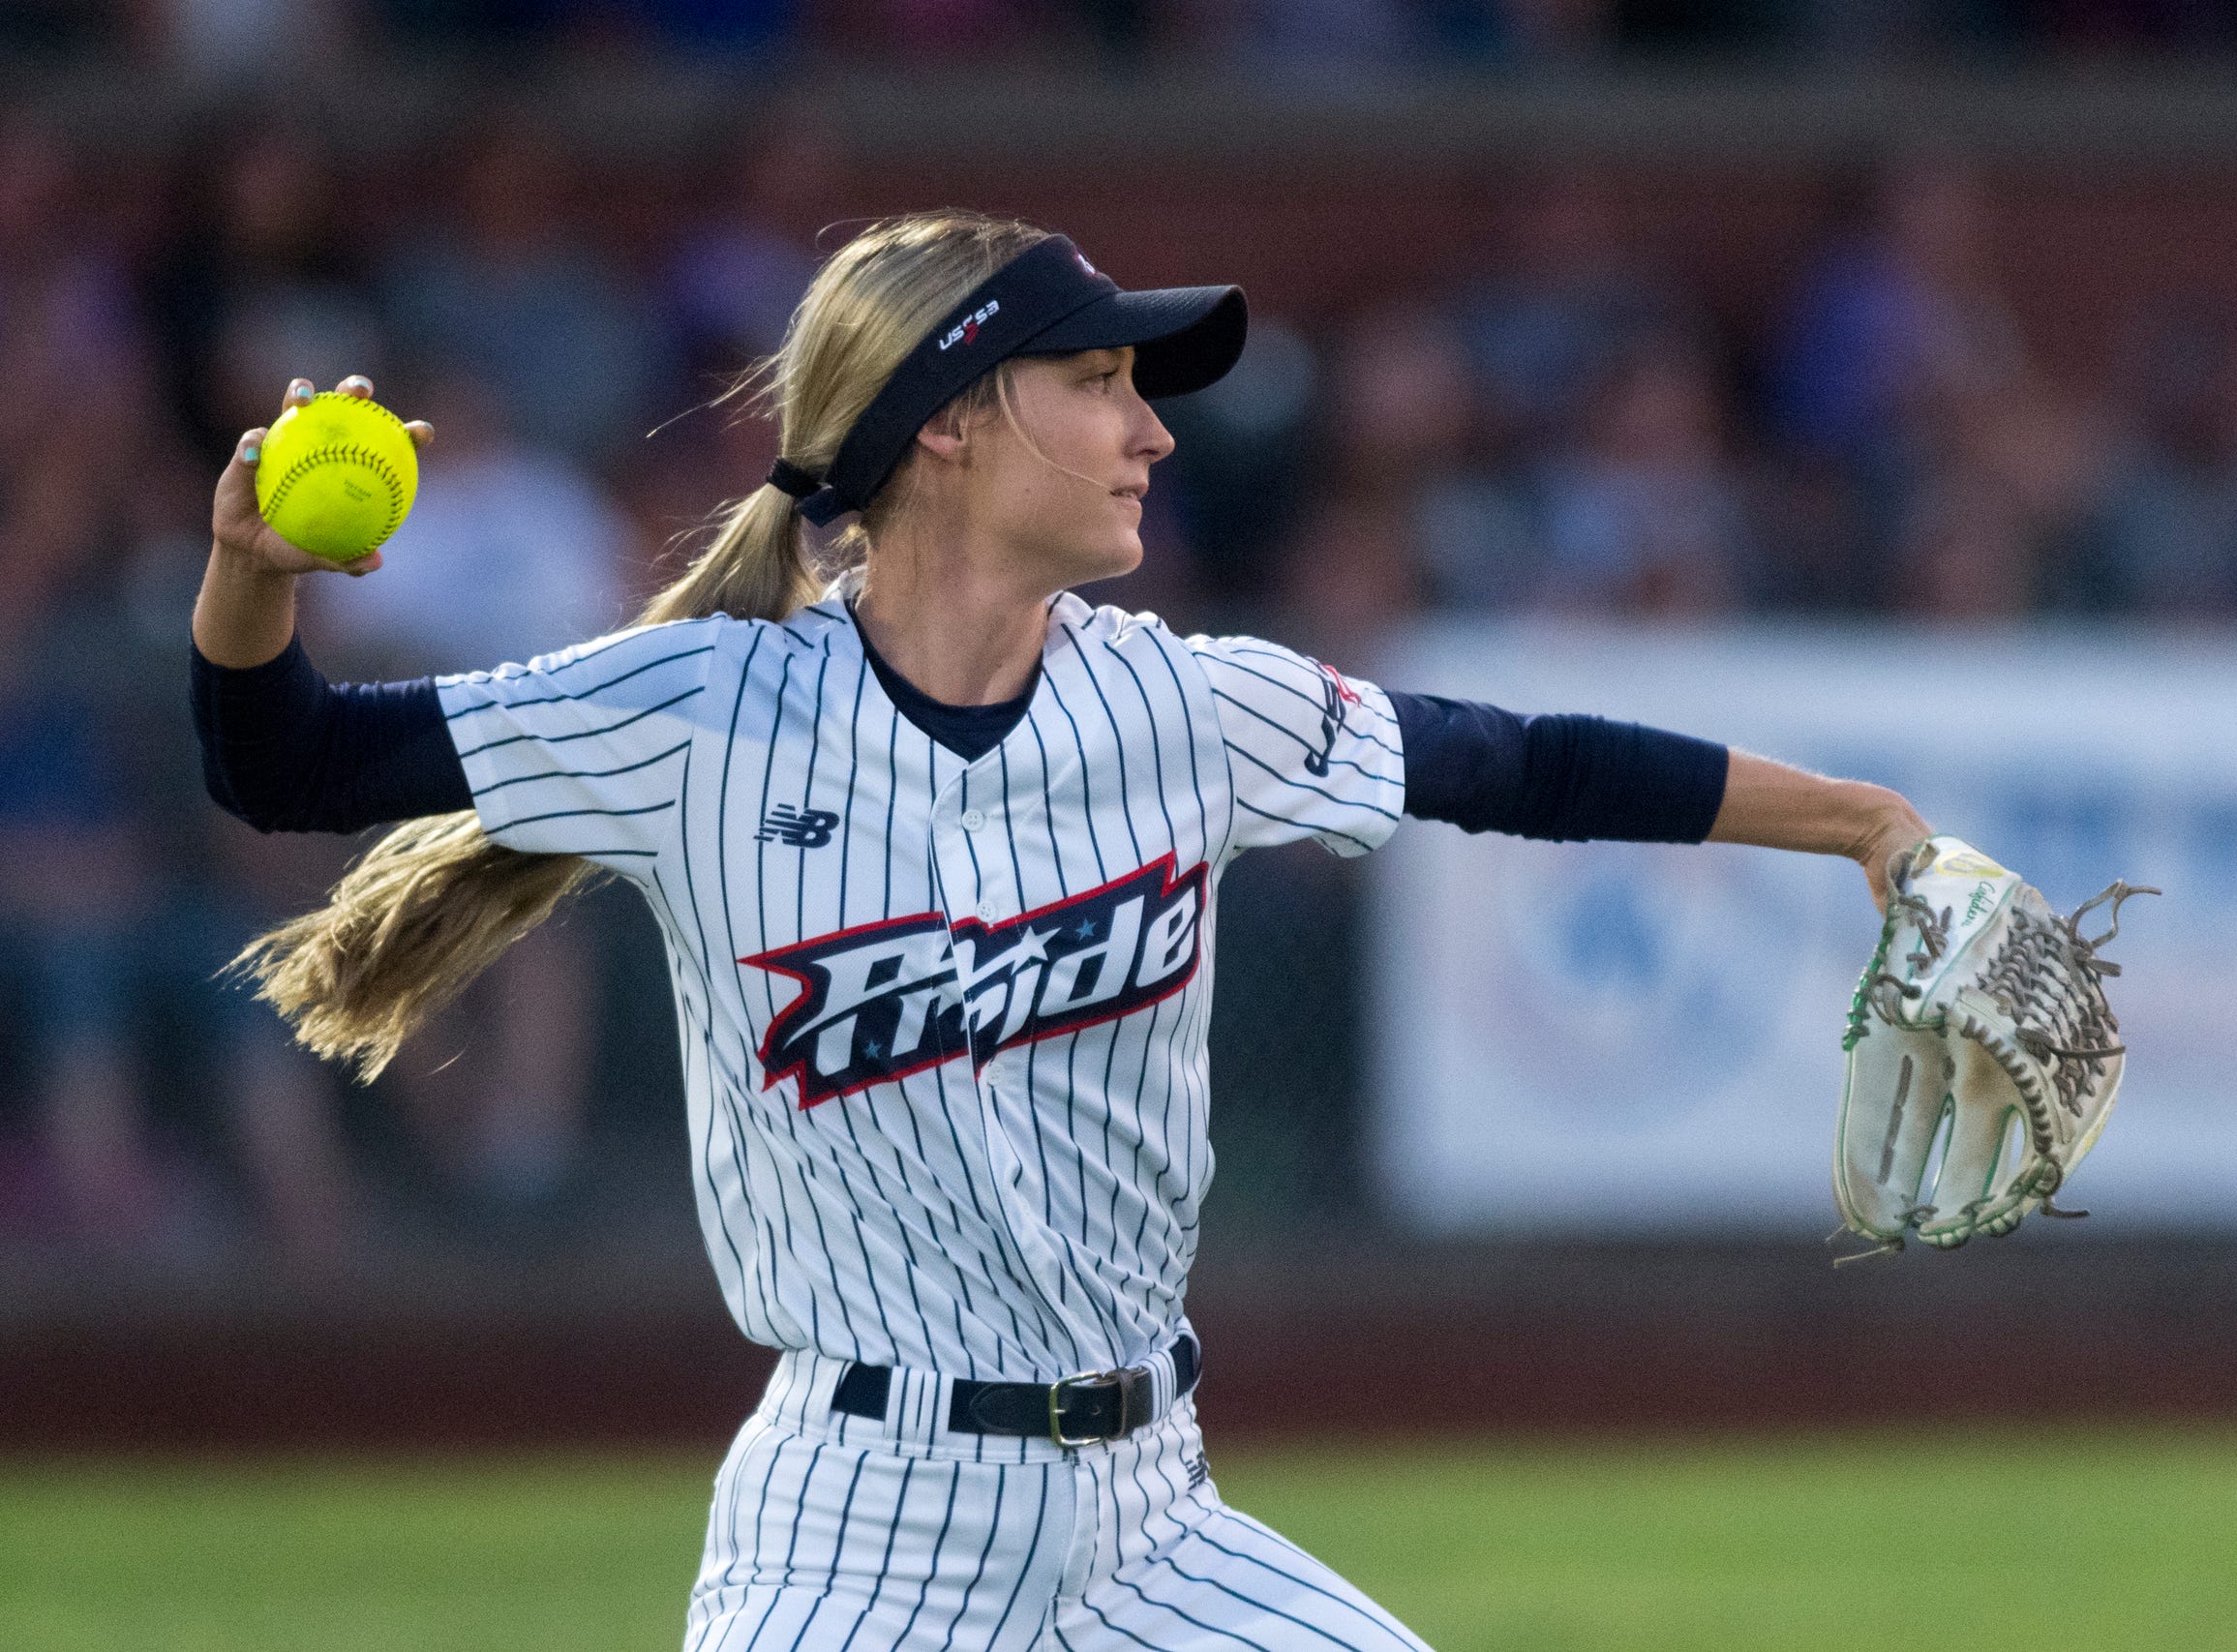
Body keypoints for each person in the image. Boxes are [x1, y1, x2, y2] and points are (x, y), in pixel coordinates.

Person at [190, 211, 1931, 1650]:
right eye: (1097, 383)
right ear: (947, 421)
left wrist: (1860, 822)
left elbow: (1518, 763)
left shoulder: (1187, 710)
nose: (1152, 430)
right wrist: (253, 574)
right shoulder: (701, 715)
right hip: (860, 1543)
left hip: (1153, 1527)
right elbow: (293, 764)